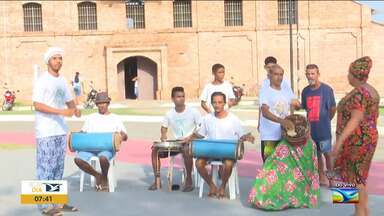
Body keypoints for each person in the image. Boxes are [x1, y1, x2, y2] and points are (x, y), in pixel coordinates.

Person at [32, 47, 81, 215]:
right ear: (48, 61)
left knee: (58, 169)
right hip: (45, 131)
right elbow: (37, 105)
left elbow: (69, 101)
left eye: (60, 58)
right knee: (45, 169)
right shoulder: (42, 80)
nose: (58, 61)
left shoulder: (62, 80)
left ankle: (58, 203)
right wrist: (61, 112)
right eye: (55, 58)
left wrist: (75, 109)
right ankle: (44, 207)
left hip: (60, 130)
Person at [328, 56, 379, 216]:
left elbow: (355, 119)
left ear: (353, 74)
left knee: (354, 178)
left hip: (356, 140)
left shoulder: (360, 93)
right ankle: (363, 212)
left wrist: (339, 142)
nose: (347, 76)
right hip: (366, 138)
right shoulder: (370, 90)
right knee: (359, 178)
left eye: (348, 73)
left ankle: (359, 212)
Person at [186, 92, 254, 199]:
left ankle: (222, 186)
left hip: (227, 152)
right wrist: (190, 137)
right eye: (214, 102)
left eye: (220, 102)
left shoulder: (233, 119)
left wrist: (247, 137)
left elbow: (242, 135)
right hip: (210, 151)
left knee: (228, 164)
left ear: (224, 103)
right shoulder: (207, 118)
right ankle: (212, 186)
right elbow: (201, 134)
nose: (217, 105)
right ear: (211, 104)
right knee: (199, 163)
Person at [248, 115, 320, 210]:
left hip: (291, 184)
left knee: (345, 175)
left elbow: (270, 165)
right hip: (300, 186)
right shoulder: (309, 145)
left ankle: (345, 198)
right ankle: (345, 199)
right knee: (344, 176)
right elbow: (312, 170)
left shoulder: (308, 145)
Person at [148, 87, 201, 192]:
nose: (181, 99)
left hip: (191, 142)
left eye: (183, 96)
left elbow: (201, 127)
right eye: (178, 97)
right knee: (155, 149)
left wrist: (190, 138)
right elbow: (164, 128)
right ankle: (157, 180)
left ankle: (189, 180)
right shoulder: (169, 114)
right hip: (178, 143)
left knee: (186, 149)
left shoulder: (193, 111)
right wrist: (163, 135)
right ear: (172, 99)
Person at [74, 92, 128, 192]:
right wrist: (76, 137)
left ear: (108, 104)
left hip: (106, 148)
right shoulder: (91, 117)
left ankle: (104, 177)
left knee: (103, 158)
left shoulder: (115, 118)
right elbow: (83, 132)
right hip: (90, 148)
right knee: (77, 159)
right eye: (99, 103)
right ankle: (97, 175)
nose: (101, 105)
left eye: (104, 103)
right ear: (96, 105)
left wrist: (121, 137)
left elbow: (125, 135)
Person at [301, 64, 336, 186]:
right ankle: (321, 178)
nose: (310, 76)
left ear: (318, 74)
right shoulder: (305, 91)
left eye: (313, 73)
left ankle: (332, 180)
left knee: (328, 156)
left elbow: (332, 109)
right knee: (317, 156)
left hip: (324, 130)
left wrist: (326, 120)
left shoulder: (327, 90)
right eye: (308, 74)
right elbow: (306, 108)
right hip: (311, 131)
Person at [259, 64, 301, 162]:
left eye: (281, 75)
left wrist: (298, 105)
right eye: (276, 74)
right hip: (269, 137)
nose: (279, 77)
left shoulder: (286, 90)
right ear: (269, 75)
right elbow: (265, 112)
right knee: (269, 166)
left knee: (283, 166)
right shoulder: (265, 91)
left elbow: (296, 105)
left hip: (284, 135)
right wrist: (282, 121)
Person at [258, 56, 291, 132]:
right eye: (268, 67)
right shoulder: (264, 84)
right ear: (265, 68)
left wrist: (291, 119)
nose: (270, 69)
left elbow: (290, 102)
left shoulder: (285, 82)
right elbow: (262, 107)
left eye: (272, 67)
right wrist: (259, 122)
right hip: (269, 127)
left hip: (283, 125)